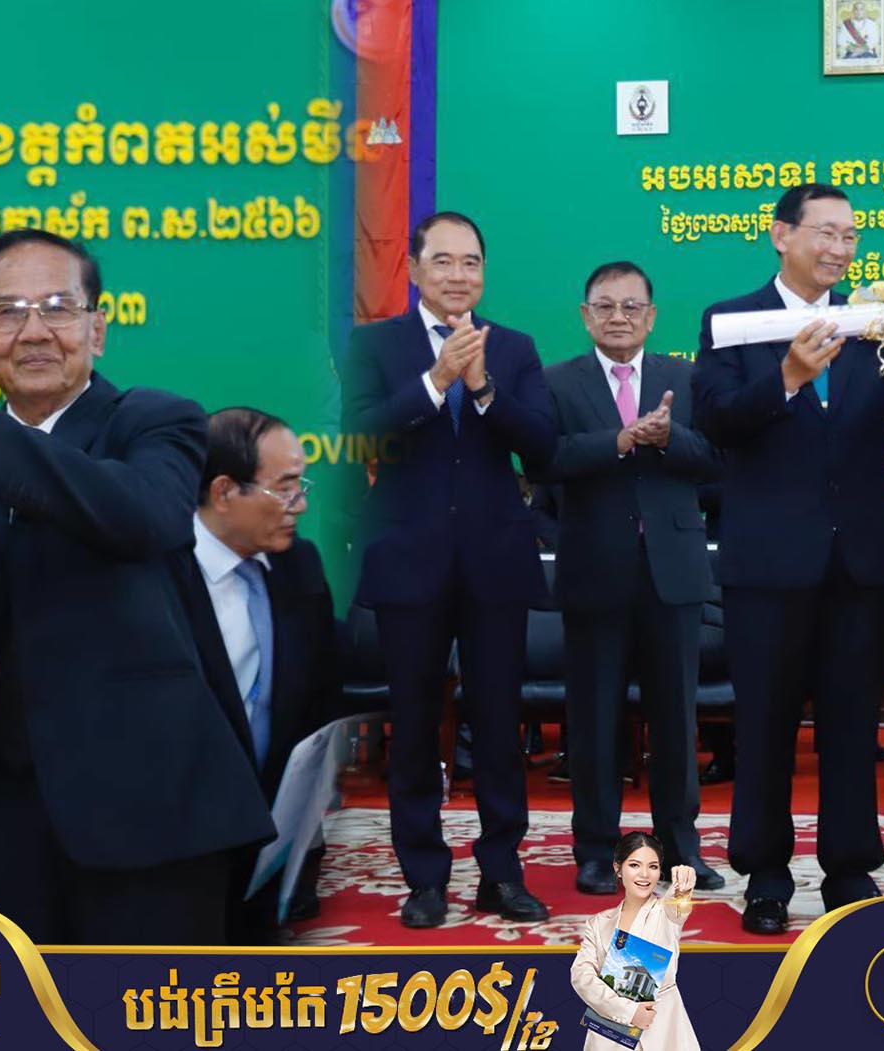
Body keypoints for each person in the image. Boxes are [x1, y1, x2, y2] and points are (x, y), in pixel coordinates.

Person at [0, 228, 273, 945]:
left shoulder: (153, 420)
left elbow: (144, 517)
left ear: (97, 329)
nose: (34, 331)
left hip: (147, 807)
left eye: (57, 307)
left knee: (140, 1004)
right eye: (8, 312)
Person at [692, 183, 884, 934]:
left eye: (850, 236)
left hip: (858, 563)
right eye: (826, 232)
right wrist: (787, 376)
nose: (841, 248)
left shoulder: (870, 322)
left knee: (852, 724)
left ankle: (849, 869)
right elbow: (715, 419)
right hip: (768, 565)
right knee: (765, 726)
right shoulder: (732, 320)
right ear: (781, 234)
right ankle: (766, 875)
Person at [341, 211, 557, 928]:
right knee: (413, 724)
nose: (459, 275)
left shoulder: (515, 347)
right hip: (410, 559)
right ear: (413, 268)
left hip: (495, 561)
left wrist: (485, 388)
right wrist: (436, 381)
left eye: (471, 262)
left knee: (498, 723)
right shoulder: (375, 345)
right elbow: (358, 434)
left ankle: (501, 872)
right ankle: (425, 879)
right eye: (443, 261)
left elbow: (543, 446)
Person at [540, 261, 723, 897]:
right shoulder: (557, 382)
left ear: (651, 316)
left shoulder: (686, 379)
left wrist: (669, 439)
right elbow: (546, 461)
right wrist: (618, 442)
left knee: (676, 719)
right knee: (594, 721)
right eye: (605, 306)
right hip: (594, 573)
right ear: (585, 315)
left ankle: (680, 847)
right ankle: (596, 850)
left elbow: (716, 460)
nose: (618, 317)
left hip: (672, 573)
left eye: (631, 307)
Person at [171, 406, 342, 937]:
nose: (300, 505)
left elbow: (320, 686)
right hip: (182, 838)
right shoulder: (160, 575)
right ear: (224, 492)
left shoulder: (298, 563)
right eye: (284, 489)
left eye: (301, 486)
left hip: (273, 830)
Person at [569, 833, 700, 1051]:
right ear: (618, 868)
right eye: (634, 865)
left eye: (653, 866)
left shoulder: (665, 913)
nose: (644, 874)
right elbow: (581, 976)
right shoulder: (598, 923)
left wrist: (684, 885)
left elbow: (678, 905)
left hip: (664, 1029)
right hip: (610, 1033)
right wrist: (629, 1012)